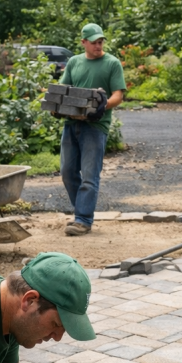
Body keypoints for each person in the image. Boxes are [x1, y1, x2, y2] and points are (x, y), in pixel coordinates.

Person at [57, 23, 126, 237]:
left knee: (89, 175)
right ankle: (81, 213)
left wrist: (100, 107)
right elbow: (63, 89)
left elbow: (118, 95)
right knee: (68, 172)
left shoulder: (112, 63)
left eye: (100, 42)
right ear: (83, 42)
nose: (98, 46)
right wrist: (56, 106)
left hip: (96, 127)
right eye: (94, 42)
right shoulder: (74, 62)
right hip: (72, 124)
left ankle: (83, 220)